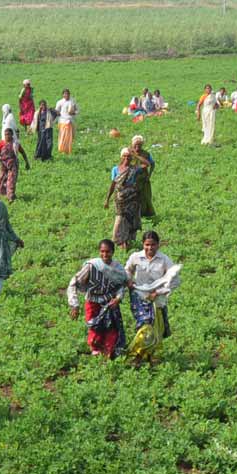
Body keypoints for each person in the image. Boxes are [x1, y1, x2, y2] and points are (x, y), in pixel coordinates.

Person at [125, 231, 181, 366]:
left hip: (157, 299)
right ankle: (136, 355)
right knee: (145, 325)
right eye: (147, 245)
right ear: (143, 244)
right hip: (139, 297)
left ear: (158, 245)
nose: (150, 248)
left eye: (153, 245)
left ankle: (149, 355)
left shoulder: (164, 260)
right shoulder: (136, 257)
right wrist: (129, 281)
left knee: (156, 330)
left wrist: (158, 292)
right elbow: (127, 270)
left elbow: (175, 281)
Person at [67, 239, 129, 359]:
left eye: (108, 252)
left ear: (113, 252)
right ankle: (96, 352)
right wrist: (74, 304)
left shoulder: (118, 269)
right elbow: (74, 282)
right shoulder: (92, 266)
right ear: (99, 252)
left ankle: (108, 353)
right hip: (93, 302)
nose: (105, 255)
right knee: (95, 328)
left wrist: (118, 299)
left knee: (111, 328)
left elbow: (121, 285)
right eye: (102, 251)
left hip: (110, 303)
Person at [105, 148, 148, 251]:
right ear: (121, 157)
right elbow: (113, 184)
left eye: (129, 156)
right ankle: (118, 240)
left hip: (132, 198)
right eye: (124, 156)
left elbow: (146, 164)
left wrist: (136, 155)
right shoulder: (116, 169)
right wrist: (107, 199)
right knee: (120, 218)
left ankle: (127, 243)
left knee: (130, 219)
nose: (126, 158)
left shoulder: (134, 168)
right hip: (120, 198)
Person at [0, 128, 30, 202]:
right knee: (1, 179)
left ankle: (10, 196)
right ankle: (0, 194)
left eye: (8, 134)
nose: (7, 136)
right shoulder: (1, 143)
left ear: (12, 135)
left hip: (13, 164)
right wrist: (0, 162)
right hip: (3, 164)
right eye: (5, 134)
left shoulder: (16, 144)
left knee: (11, 180)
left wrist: (27, 162)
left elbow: (23, 152)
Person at [131, 135, 156, 218]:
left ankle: (146, 215)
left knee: (145, 198)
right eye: (136, 144)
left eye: (139, 145)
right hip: (132, 180)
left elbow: (152, 164)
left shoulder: (146, 154)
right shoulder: (129, 153)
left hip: (144, 180)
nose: (137, 146)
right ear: (132, 144)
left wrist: (149, 175)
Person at [55, 89, 79, 154]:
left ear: (69, 94)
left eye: (67, 94)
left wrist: (73, 112)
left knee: (69, 137)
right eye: (65, 94)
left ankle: (68, 150)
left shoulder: (73, 101)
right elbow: (56, 111)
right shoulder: (59, 102)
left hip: (70, 121)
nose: (66, 95)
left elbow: (77, 110)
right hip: (62, 121)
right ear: (63, 95)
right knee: (62, 136)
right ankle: (61, 149)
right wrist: (57, 113)